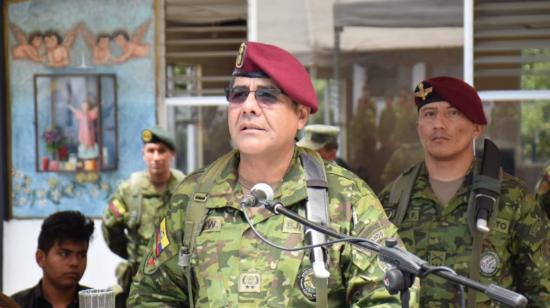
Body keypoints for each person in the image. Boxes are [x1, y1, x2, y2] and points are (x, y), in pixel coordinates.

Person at [128, 41, 417, 307]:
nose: (248, 107)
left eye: (267, 95)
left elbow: (387, 297)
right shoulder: (193, 196)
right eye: (238, 94)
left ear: (301, 116)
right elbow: (152, 297)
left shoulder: (345, 196)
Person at [378, 76, 550, 307]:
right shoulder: (392, 201)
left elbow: (542, 292)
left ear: (477, 127)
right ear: (419, 127)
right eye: (429, 113)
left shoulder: (513, 199)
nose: (438, 123)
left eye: (453, 113)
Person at [102, 126, 185, 307]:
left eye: (162, 151)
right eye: (151, 151)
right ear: (143, 154)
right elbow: (110, 228)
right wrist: (133, 254)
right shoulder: (129, 190)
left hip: (177, 281)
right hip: (139, 280)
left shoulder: (186, 190)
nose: (156, 157)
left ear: (172, 154)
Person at [11, 210, 95, 308]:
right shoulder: (16, 305)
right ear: (40, 258)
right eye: (64, 254)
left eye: (81, 255)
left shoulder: (96, 304)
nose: (75, 263)